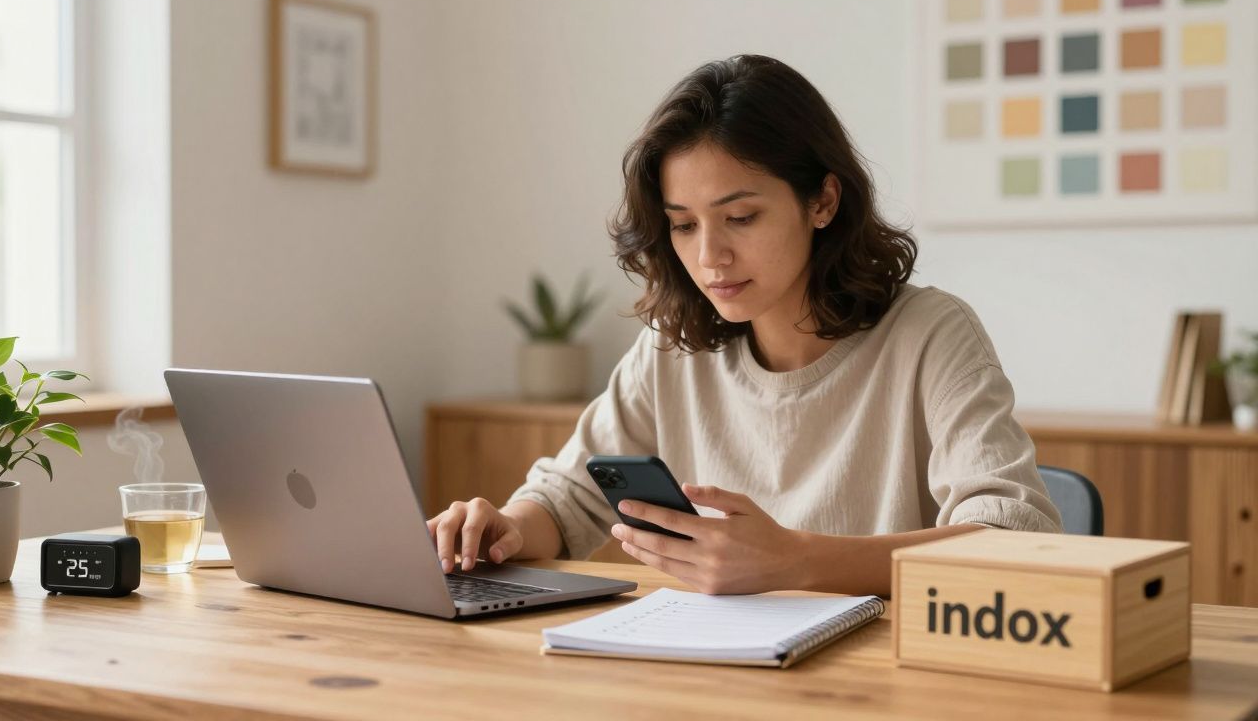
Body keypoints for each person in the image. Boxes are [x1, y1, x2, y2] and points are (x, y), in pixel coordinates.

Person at [427, 54, 1060, 597]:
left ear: (822, 201)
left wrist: (796, 560)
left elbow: (1016, 539)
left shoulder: (928, 334)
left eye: (741, 217)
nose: (709, 258)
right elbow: (570, 500)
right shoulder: (671, 349)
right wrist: (504, 528)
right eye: (683, 224)